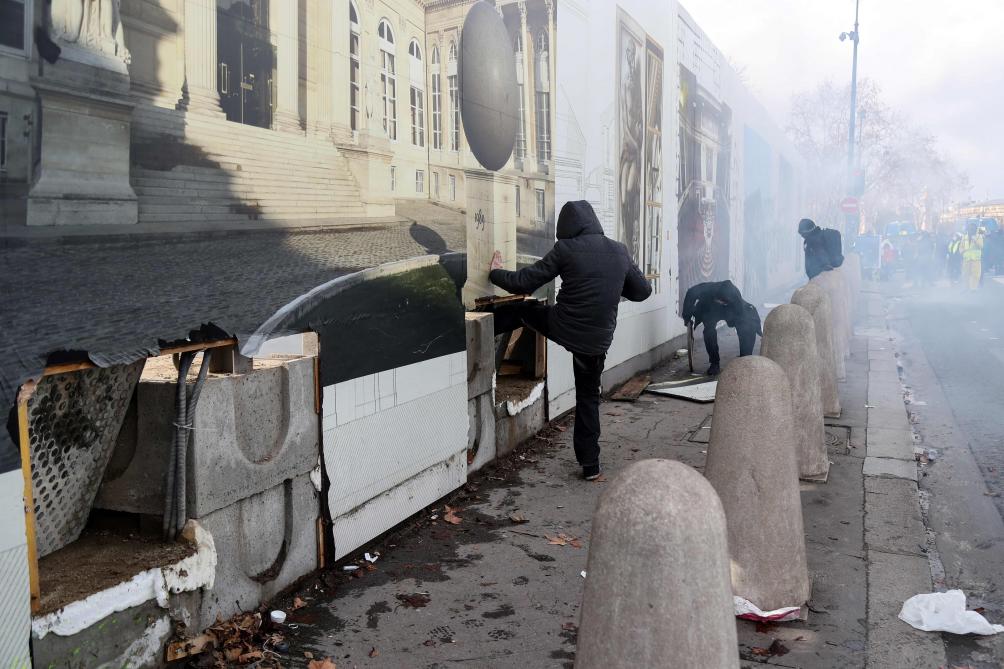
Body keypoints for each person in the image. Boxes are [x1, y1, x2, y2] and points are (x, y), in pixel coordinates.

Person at [487, 200, 652, 480]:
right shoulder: (619, 251)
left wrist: (494, 272)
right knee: (588, 397)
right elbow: (642, 291)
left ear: (567, 227)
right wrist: (612, 284)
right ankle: (591, 466)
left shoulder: (566, 249)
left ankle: (483, 329)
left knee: (523, 309)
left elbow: (524, 283)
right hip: (597, 340)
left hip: (563, 326)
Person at [680, 280, 762, 376]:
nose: (722, 302)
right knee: (708, 331)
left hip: (731, 310)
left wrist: (748, 328)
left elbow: (744, 318)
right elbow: (691, 292)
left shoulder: (736, 298)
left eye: (724, 302)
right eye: (721, 300)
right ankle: (714, 363)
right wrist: (687, 316)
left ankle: (745, 360)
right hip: (710, 308)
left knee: (747, 324)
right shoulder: (708, 288)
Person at [958, 222, 984, 292]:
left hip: (975, 259)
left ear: (975, 229)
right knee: (965, 274)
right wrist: (962, 252)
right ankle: (966, 288)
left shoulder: (979, 236)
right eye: (969, 229)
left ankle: (973, 289)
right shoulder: (964, 236)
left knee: (975, 274)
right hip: (966, 259)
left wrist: (975, 240)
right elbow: (961, 247)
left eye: (972, 229)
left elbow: (981, 246)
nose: (971, 230)